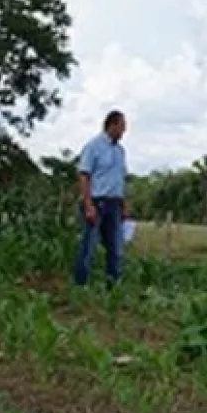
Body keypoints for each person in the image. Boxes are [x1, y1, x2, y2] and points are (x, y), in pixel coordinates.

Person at [72, 109, 129, 286]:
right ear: (111, 125)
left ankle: (113, 285)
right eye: (121, 127)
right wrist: (88, 205)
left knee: (116, 248)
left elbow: (120, 179)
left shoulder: (120, 151)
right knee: (88, 246)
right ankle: (80, 285)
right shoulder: (93, 146)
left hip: (114, 204)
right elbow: (84, 175)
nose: (123, 132)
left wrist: (124, 204)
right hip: (96, 202)